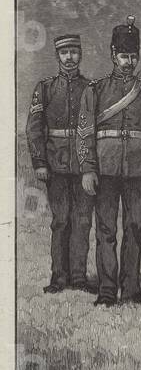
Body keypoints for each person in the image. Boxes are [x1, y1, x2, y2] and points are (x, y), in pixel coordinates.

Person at [77, 17, 141, 307]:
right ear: (113, 55)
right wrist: (88, 168)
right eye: (124, 56)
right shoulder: (96, 90)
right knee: (106, 231)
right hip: (106, 168)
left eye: (133, 57)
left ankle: (131, 290)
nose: (129, 62)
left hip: (137, 169)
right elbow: (85, 132)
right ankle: (106, 291)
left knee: (135, 227)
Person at [27, 33, 96, 294]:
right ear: (57, 56)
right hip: (55, 165)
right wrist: (39, 162)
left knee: (82, 221)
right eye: (65, 53)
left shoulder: (90, 88)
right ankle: (59, 278)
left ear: (80, 55)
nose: (70, 57)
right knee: (60, 221)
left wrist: (92, 166)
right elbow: (34, 129)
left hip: (83, 166)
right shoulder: (44, 88)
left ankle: (78, 277)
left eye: (74, 52)